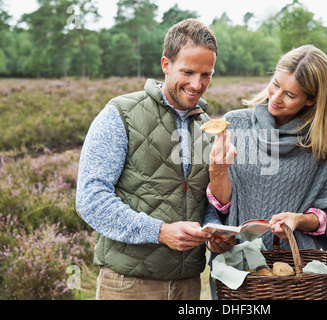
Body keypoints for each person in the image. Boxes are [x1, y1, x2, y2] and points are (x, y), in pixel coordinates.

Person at [76, 19, 233, 300]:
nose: (197, 84)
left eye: (206, 74)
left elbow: (201, 200)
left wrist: (214, 232)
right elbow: (91, 199)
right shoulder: (121, 114)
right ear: (165, 64)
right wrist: (159, 231)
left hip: (188, 285)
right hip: (128, 285)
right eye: (187, 72)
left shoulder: (208, 128)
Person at [208, 44, 327, 259]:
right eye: (275, 84)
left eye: (289, 94)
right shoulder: (235, 124)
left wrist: (299, 219)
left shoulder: (320, 144)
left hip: (292, 271)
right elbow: (220, 206)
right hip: (234, 266)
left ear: (311, 100)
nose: (276, 98)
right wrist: (217, 171)